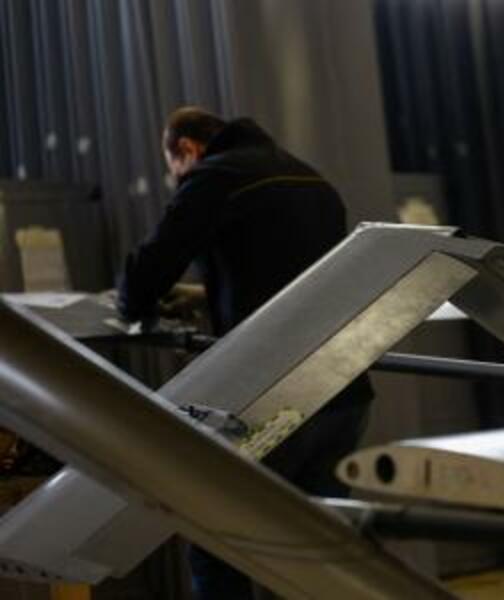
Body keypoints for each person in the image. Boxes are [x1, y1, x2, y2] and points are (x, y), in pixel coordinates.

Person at [117, 107, 373, 600]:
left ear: (186, 149)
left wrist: (136, 303)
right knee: (316, 555)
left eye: (173, 170)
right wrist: (205, 294)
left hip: (272, 398)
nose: (177, 179)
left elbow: (143, 280)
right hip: (344, 393)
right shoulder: (309, 177)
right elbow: (293, 275)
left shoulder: (215, 178)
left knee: (218, 542)